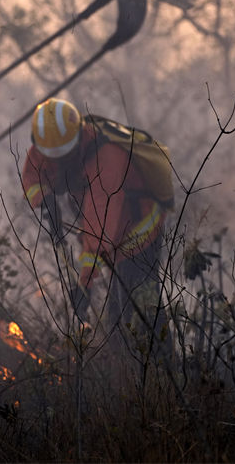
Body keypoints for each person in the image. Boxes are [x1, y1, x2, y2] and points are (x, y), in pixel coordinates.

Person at [21, 98, 170, 353]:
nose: (60, 162)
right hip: (107, 227)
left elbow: (99, 226)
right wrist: (44, 200)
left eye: (65, 155)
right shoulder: (51, 142)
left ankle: (162, 367)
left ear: (79, 137)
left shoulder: (107, 158)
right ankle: (126, 362)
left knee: (139, 303)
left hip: (140, 224)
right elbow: (33, 173)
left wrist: (85, 285)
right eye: (54, 157)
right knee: (119, 308)